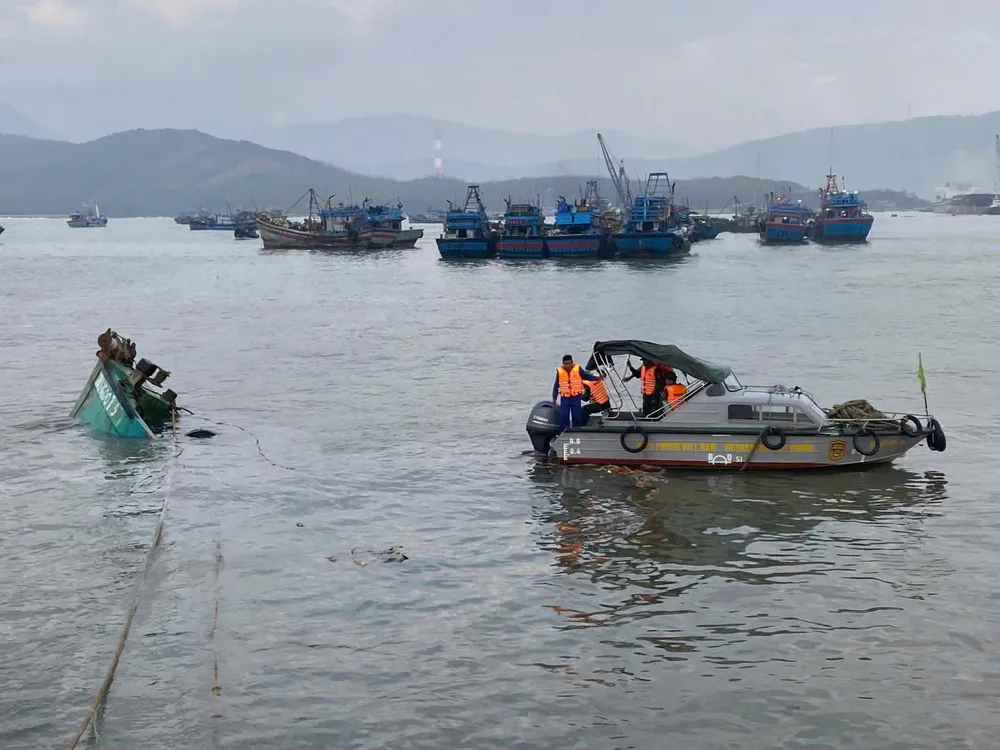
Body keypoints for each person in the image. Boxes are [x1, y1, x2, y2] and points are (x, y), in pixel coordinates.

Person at [552, 354, 600, 432]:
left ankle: (576, 432)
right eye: (566, 364)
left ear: (572, 362)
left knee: (576, 417)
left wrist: (597, 378)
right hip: (565, 398)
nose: (568, 365)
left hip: (576, 398)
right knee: (564, 416)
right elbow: (556, 385)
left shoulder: (578, 369)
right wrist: (554, 398)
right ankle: (563, 433)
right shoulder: (560, 372)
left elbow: (586, 376)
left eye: (569, 363)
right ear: (563, 364)